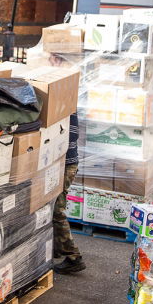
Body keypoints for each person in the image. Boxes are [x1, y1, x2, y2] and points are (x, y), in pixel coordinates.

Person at [53, 112, 85, 274]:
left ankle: (73, 257)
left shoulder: (66, 106)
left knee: (56, 210)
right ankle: (56, 249)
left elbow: (71, 134)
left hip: (64, 164)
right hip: (59, 163)